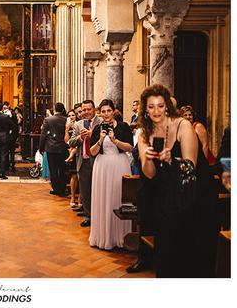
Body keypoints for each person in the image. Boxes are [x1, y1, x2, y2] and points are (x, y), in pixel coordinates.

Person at [137, 84, 218, 277]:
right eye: (151, 106)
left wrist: (171, 160)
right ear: (145, 109)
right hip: (166, 201)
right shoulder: (144, 133)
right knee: (167, 257)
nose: (156, 111)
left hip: (195, 200)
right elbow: (149, 174)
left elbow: (190, 169)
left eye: (160, 106)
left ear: (167, 107)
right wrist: (148, 158)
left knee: (192, 257)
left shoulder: (183, 125)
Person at [89, 99, 133, 249]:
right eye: (103, 111)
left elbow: (129, 147)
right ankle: (103, 237)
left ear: (114, 111)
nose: (106, 114)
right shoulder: (96, 129)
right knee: (103, 198)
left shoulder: (123, 127)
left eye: (109, 111)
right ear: (99, 113)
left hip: (120, 164)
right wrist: (101, 140)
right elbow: (92, 152)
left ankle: (121, 237)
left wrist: (115, 140)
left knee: (118, 197)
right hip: (102, 165)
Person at [68, 100, 102, 227]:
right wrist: (80, 138)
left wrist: (92, 134)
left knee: (98, 190)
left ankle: (99, 216)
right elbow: (71, 142)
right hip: (84, 160)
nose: (86, 112)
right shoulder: (78, 124)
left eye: (89, 109)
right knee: (85, 191)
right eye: (84, 110)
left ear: (94, 109)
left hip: (98, 160)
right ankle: (88, 216)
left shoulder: (101, 122)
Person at [39, 102, 68, 197]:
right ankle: (62, 189)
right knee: (63, 169)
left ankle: (56, 189)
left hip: (51, 148)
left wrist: (41, 147)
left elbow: (43, 135)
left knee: (54, 170)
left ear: (54, 109)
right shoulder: (66, 120)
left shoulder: (48, 120)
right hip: (63, 148)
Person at [0, 102, 15, 179]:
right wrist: (8, 129)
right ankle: (2, 173)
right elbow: (13, 125)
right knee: (4, 155)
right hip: (5, 137)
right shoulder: (6, 116)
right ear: (2, 108)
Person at [65, 109, 78, 207]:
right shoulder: (67, 125)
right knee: (73, 175)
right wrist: (66, 130)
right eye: (69, 115)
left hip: (78, 150)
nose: (71, 117)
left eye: (73, 115)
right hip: (69, 148)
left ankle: (81, 198)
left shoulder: (79, 125)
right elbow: (67, 141)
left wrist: (75, 127)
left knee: (80, 176)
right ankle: (73, 197)